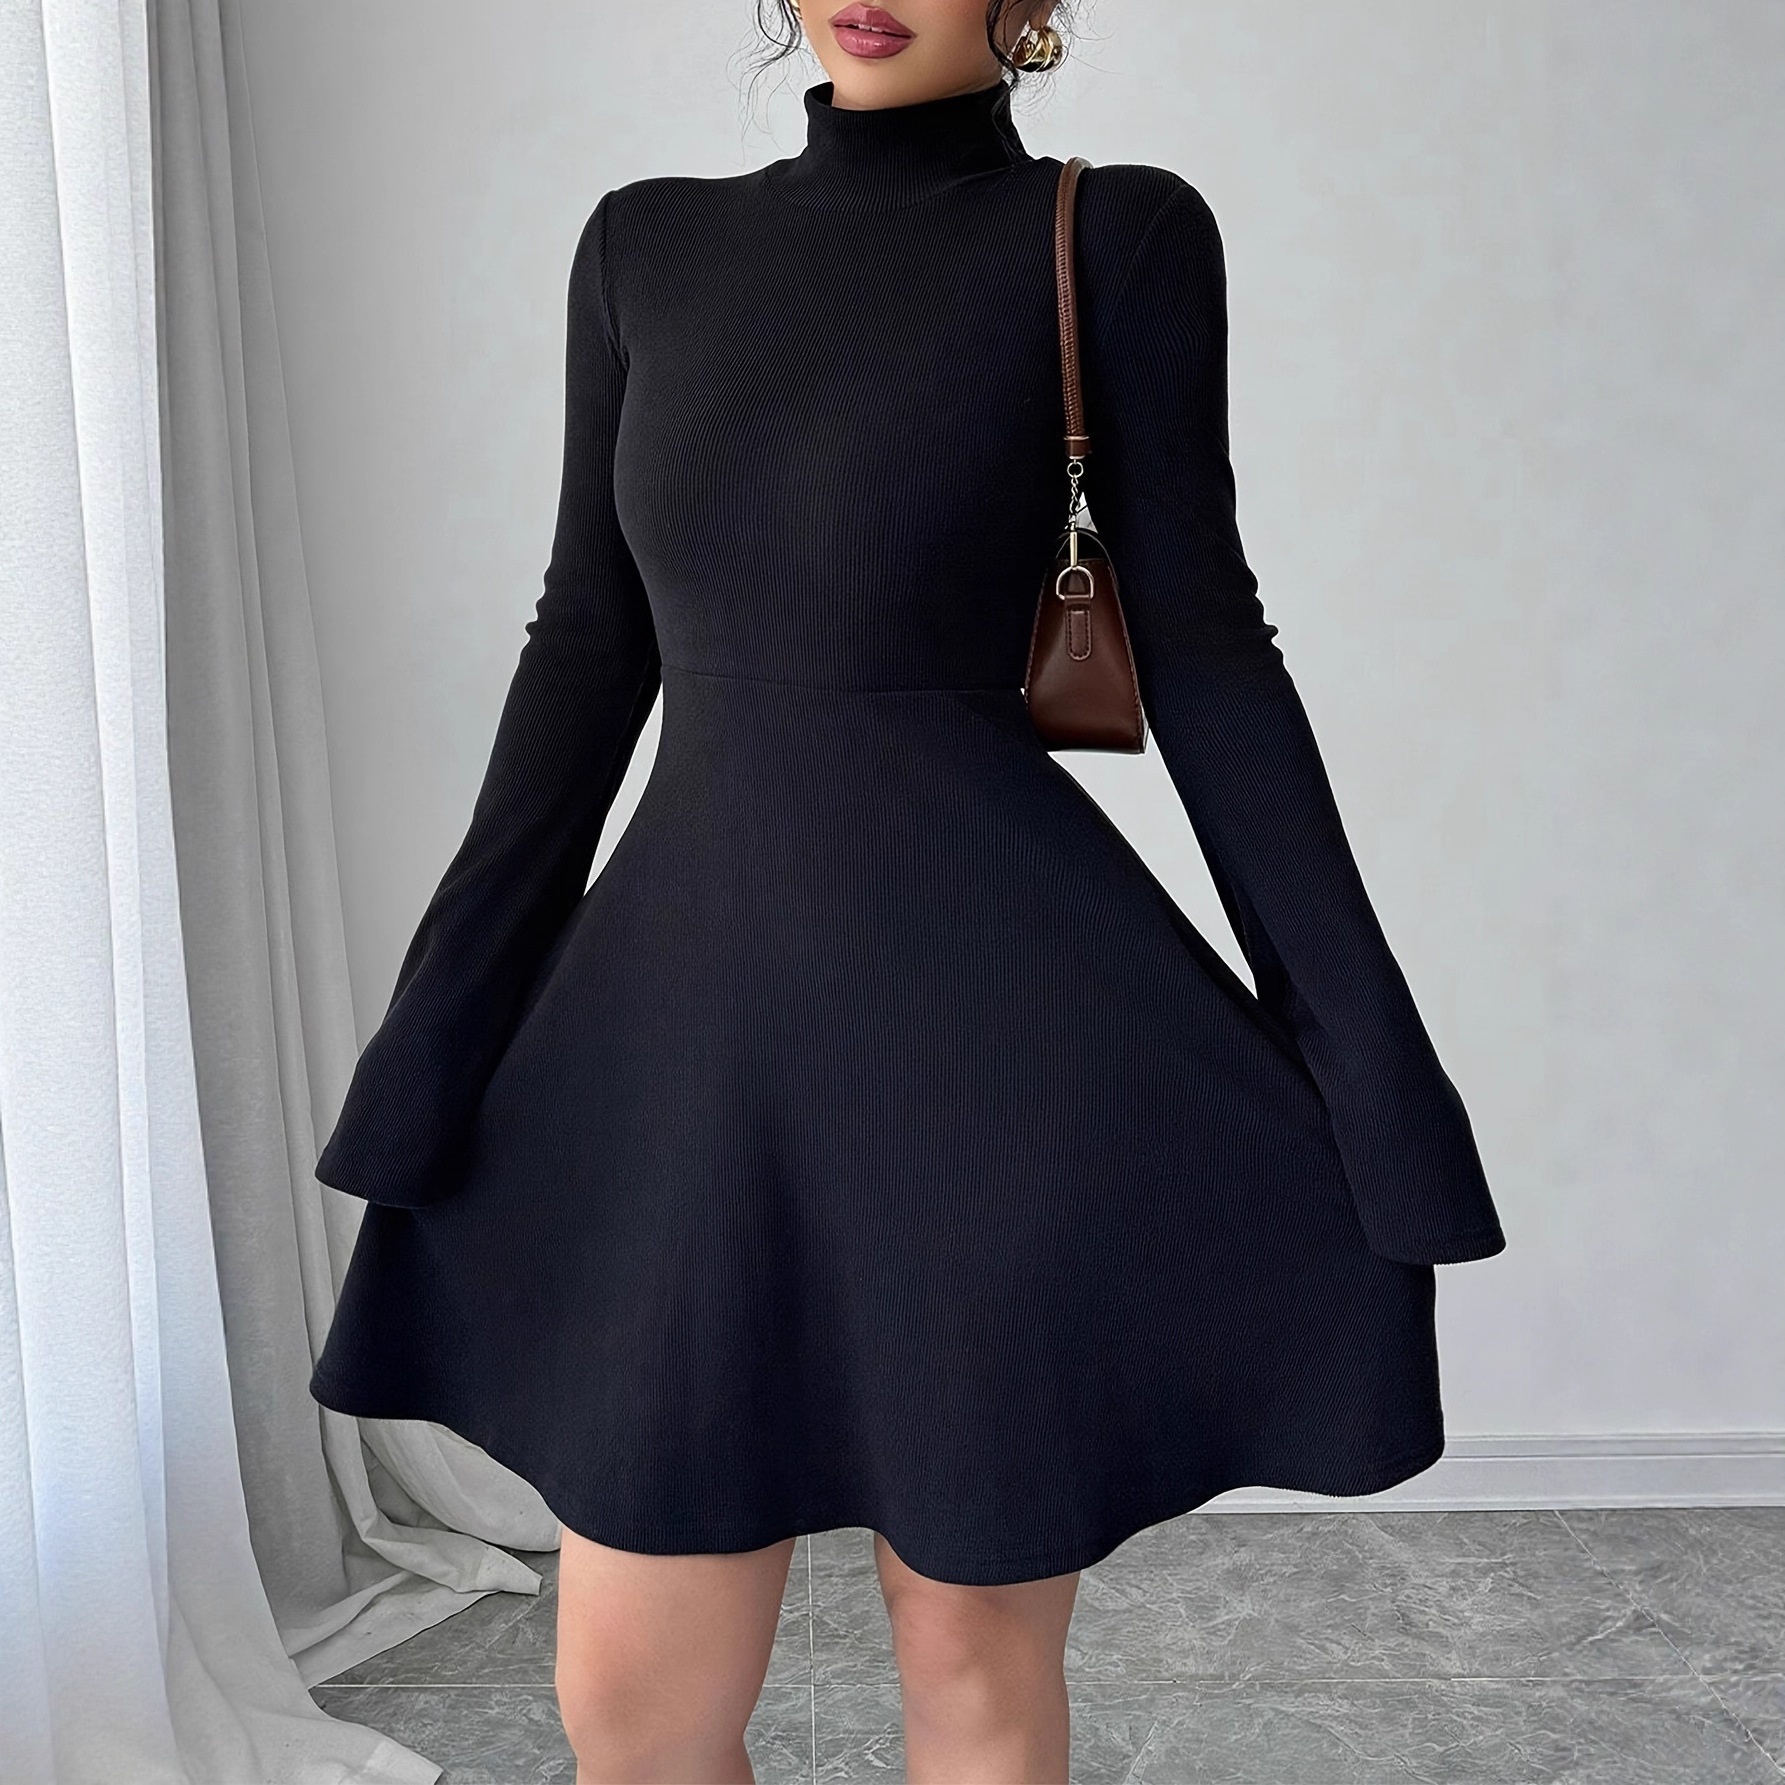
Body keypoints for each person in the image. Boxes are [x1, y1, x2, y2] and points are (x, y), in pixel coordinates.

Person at [307, 3, 1508, 1779]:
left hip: (991, 1050)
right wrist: (439, 1032)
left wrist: (1372, 1068)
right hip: (685, 1044)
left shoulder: (1114, 236)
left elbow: (1208, 655)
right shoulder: (645, 248)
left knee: (969, 1662)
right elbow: (585, 647)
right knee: (629, 1709)